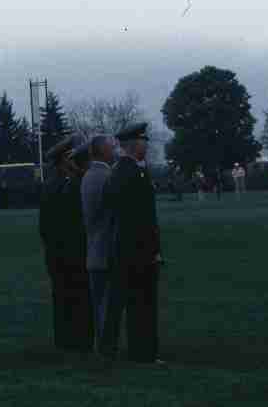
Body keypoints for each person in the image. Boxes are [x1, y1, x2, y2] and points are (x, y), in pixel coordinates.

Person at [103, 122, 164, 364]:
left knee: (138, 304)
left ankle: (139, 351)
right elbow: (138, 218)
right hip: (135, 249)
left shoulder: (128, 171)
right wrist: (152, 250)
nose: (146, 144)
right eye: (143, 141)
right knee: (142, 304)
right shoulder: (128, 173)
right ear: (134, 144)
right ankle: (143, 352)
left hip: (130, 248)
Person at [38, 134, 93, 352]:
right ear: (66, 159)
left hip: (55, 253)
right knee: (79, 296)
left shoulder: (50, 185)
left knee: (61, 297)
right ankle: (81, 340)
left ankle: (65, 340)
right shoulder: (72, 184)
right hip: (74, 251)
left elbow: (44, 226)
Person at [79, 134, 118, 357]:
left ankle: (100, 345)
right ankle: (105, 348)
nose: (114, 151)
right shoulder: (106, 176)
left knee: (99, 304)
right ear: (102, 151)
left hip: (94, 250)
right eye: (111, 148)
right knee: (106, 305)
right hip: (107, 251)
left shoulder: (88, 176)